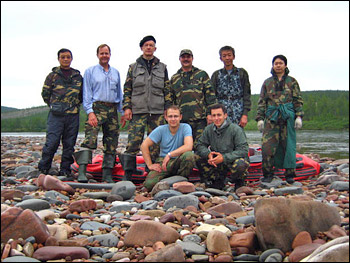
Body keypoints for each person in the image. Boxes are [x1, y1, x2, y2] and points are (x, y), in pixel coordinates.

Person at [121, 35, 172, 181]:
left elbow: (167, 89)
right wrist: (127, 107)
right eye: (146, 45)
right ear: (142, 48)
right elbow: (127, 89)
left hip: (157, 111)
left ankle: (154, 171)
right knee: (133, 142)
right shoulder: (133, 67)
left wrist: (167, 108)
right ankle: (128, 173)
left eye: (151, 45)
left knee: (155, 143)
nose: (149, 47)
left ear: (155, 48)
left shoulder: (162, 68)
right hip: (138, 110)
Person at [73, 44, 123, 183]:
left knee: (111, 141)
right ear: (97, 55)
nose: (104, 56)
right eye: (102, 53)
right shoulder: (90, 71)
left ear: (110, 54)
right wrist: (90, 112)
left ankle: (107, 173)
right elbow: (86, 93)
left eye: (107, 53)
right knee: (90, 139)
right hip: (97, 107)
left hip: (112, 109)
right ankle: (82, 171)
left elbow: (119, 93)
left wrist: (123, 111)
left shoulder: (116, 72)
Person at [255, 54, 304, 184]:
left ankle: (289, 174)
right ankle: (268, 174)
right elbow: (262, 102)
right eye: (275, 63)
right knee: (267, 147)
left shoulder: (292, 82)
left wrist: (299, 116)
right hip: (271, 117)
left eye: (280, 63)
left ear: (285, 65)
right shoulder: (267, 82)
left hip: (288, 117)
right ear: (272, 65)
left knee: (288, 146)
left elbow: (297, 100)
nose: (278, 65)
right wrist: (260, 118)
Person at [38, 48, 83, 178]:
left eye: (68, 57)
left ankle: (65, 170)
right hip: (56, 115)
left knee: (69, 144)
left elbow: (81, 95)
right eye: (63, 57)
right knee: (52, 142)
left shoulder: (78, 77)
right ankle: (44, 168)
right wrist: (54, 105)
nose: (65, 59)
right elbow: (45, 94)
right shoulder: (52, 76)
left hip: (73, 114)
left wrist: (72, 105)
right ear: (59, 59)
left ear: (71, 58)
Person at [141, 105, 196, 191]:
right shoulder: (161, 129)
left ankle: (181, 180)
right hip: (163, 162)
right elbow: (144, 145)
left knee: (189, 155)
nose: (173, 119)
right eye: (170, 116)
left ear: (180, 117)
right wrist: (150, 165)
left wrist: (170, 155)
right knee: (148, 185)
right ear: (166, 117)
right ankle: (168, 179)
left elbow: (188, 146)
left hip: (179, 160)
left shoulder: (186, 127)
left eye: (176, 116)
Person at [195, 103, 249, 190]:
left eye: (219, 115)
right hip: (216, 162)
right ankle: (215, 180)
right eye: (214, 115)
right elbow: (200, 145)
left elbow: (243, 150)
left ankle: (239, 181)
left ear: (225, 115)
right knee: (197, 157)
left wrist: (224, 157)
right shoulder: (208, 129)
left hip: (231, 160)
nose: (216, 118)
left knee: (241, 163)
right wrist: (208, 154)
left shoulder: (236, 129)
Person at [170, 49, 217, 146]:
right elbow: (171, 100)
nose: (186, 59)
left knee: (200, 146)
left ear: (192, 58)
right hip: (182, 121)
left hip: (200, 119)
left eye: (188, 57)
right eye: (183, 57)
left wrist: (210, 114)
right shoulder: (174, 78)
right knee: (182, 147)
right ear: (179, 59)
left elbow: (210, 96)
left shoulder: (201, 75)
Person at [211, 45, 251, 128]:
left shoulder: (242, 73)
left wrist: (245, 115)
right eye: (224, 56)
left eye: (229, 55)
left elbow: (247, 95)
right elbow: (212, 96)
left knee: (238, 136)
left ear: (234, 56)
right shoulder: (216, 75)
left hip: (238, 111)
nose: (227, 58)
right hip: (221, 113)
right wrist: (211, 114)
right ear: (221, 58)